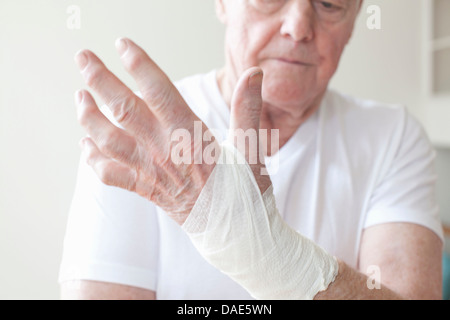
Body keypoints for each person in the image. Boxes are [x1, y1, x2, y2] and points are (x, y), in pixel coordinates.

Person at [59, 0, 444, 299]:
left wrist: (267, 254)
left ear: (356, 17)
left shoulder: (392, 136)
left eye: (329, 3)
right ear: (223, 3)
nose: (299, 27)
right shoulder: (140, 136)